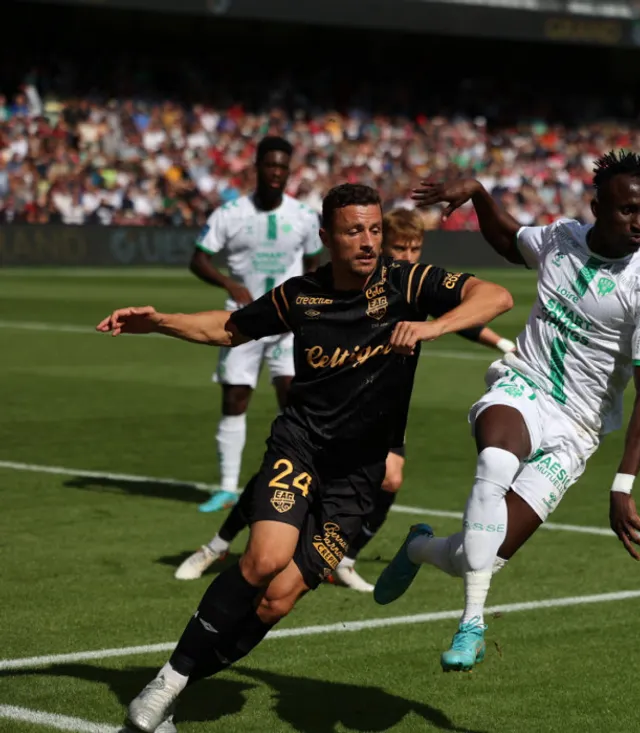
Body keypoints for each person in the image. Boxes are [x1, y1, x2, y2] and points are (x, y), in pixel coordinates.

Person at [97, 183, 513, 733]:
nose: (367, 242)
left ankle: (178, 687)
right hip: (302, 447)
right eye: (353, 231)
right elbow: (228, 328)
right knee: (264, 559)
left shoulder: (408, 283)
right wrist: (161, 322)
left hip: (358, 475)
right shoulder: (301, 295)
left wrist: (433, 325)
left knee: (277, 601)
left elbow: (496, 296)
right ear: (326, 237)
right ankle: (164, 685)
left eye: (373, 230)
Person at [371, 150, 640, 672]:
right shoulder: (562, 239)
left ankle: (421, 547)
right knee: (494, 463)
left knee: (477, 554)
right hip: (524, 384)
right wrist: (478, 195)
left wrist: (623, 485)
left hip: (578, 427)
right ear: (597, 207)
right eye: (628, 210)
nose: (639, 223)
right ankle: (472, 624)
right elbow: (508, 239)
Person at [173, 207, 517, 592]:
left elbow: (467, 313)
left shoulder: (412, 283)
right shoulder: (368, 280)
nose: (406, 255)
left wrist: (501, 342)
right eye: (399, 247)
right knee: (282, 476)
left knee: (391, 477)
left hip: (379, 411)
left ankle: (346, 559)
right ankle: (217, 545)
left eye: (414, 247)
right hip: (327, 407)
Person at [190, 135, 324, 513]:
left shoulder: (303, 215)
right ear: (257, 168)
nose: (277, 173)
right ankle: (228, 488)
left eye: (283, 167)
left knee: (293, 400)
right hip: (242, 321)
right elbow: (198, 258)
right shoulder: (230, 213)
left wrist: (304, 297)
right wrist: (230, 283)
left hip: (287, 324)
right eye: (270, 165)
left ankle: (295, 479)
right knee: (235, 398)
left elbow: (314, 260)